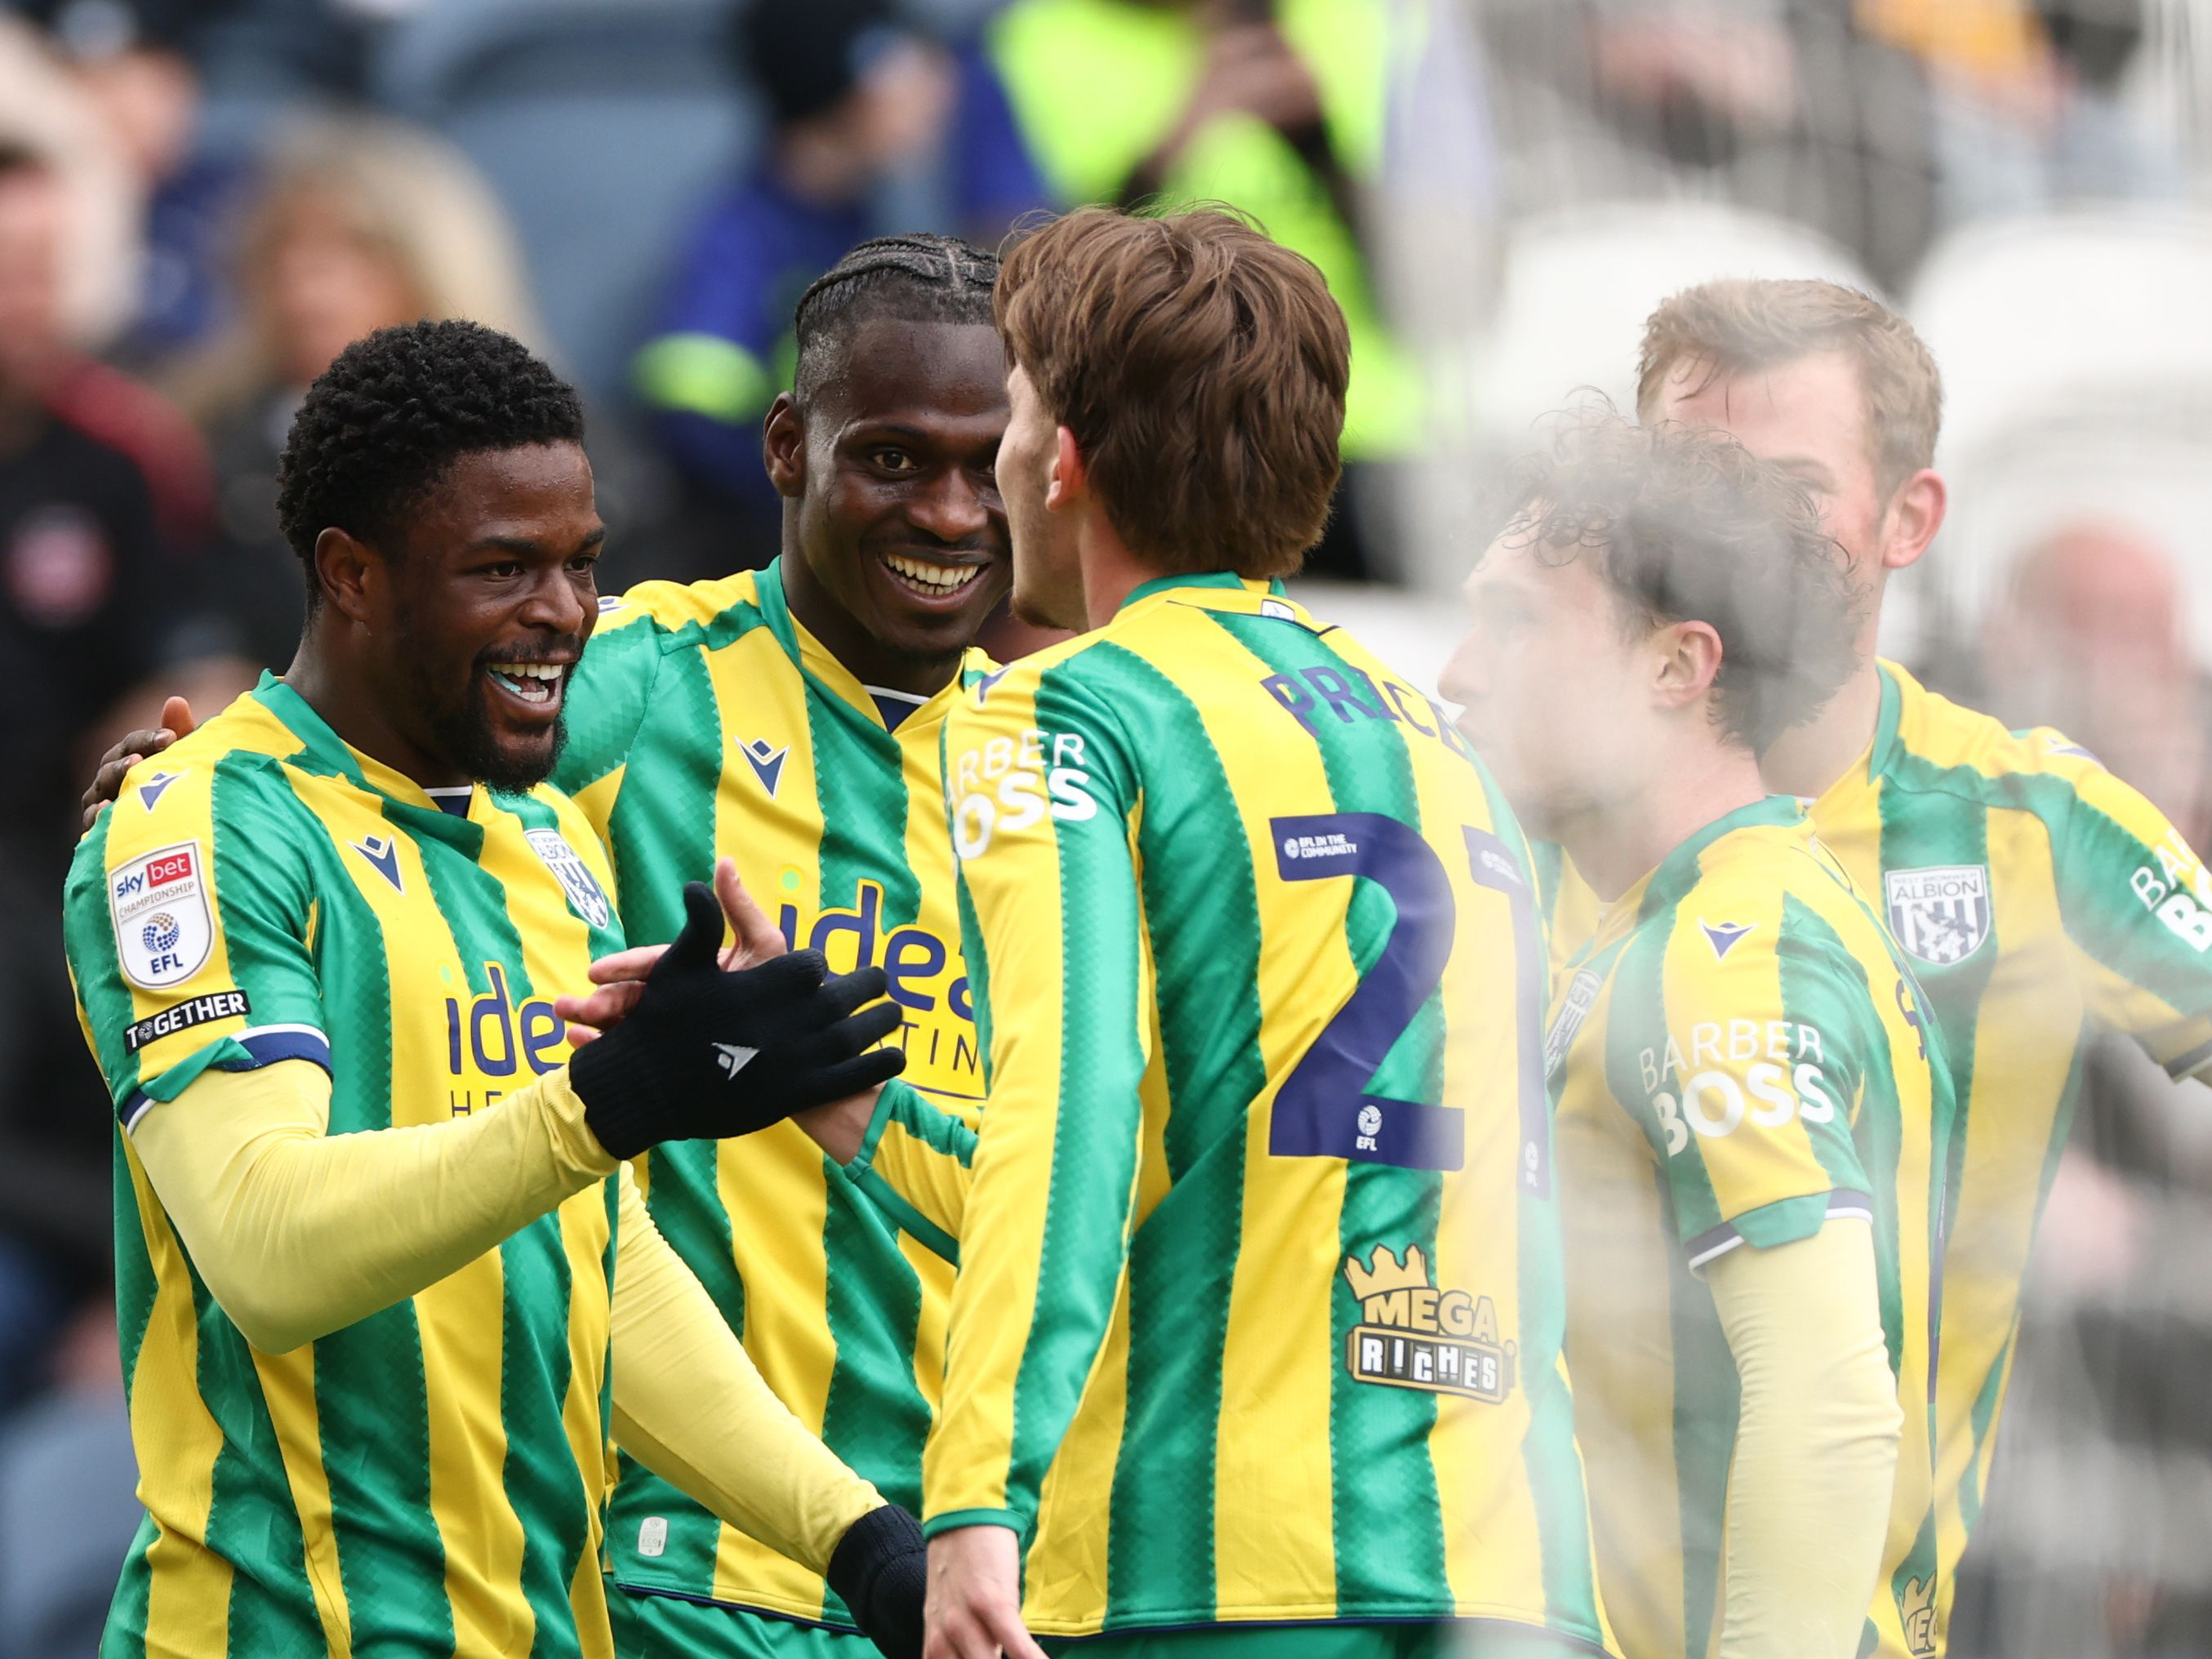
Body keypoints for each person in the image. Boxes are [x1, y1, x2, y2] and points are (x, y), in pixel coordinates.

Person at [96, 234, 1024, 1659]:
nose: (563, 618)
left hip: (579, 1615)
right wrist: (611, 1101)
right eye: (504, 568)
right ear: (351, 574)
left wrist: (863, 1542)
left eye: (582, 566)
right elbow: (268, 1251)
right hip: (372, 1619)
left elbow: (601, 1257)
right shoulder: (218, 820)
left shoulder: (542, 847)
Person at [807, 206, 1606, 1659]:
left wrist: (976, 1491)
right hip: (1504, 1564)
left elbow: (1068, 1117)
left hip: (1215, 1567)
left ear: (1063, 459)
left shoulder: (1065, 711)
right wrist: (850, 1104)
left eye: (1013, 418)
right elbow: (1229, 1155)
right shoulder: (1442, 745)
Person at [1543, 276, 2212, 1652]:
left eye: (1790, 487)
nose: (1730, 531)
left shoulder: (2028, 823)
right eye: (1689, 479)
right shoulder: (1512, 805)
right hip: (1509, 1609)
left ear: (1910, 518)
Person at [1446, 414, 1945, 1659]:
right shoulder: (1671, 923)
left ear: (1677, 666)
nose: (1457, 674)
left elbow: (1826, 1404)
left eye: (1514, 623)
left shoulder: (1730, 950)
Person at [634, 0, 1043, 562]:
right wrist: (829, 497)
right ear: (845, 86)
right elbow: (692, 419)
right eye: (902, 67)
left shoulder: (866, 212)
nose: (936, 88)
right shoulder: (744, 237)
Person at [167, 113, 541, 670]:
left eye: (356, 249)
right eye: (282, 249)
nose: (305, 283)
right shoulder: (189, 450)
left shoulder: (549, 457)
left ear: (432, 266)